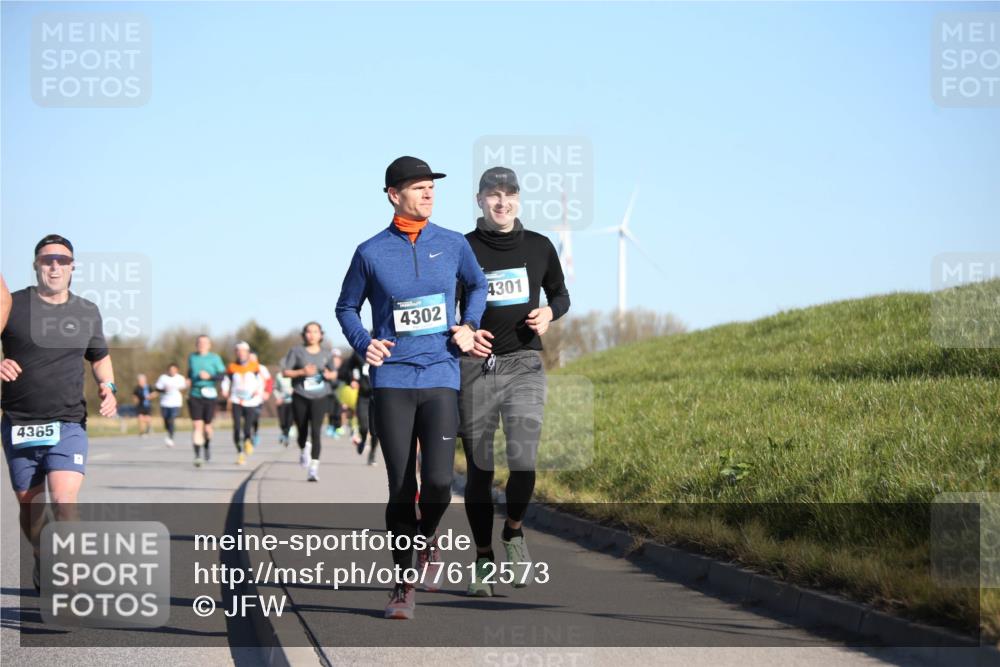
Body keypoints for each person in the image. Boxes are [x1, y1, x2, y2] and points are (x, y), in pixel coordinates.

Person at [336, 155, 487, 619]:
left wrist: (468, 325)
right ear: (393, 195)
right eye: (418, 187)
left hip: (441, 374)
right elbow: (345, 308)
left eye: (432, 187)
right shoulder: (370, 252)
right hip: (394, 380)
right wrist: (365, 343)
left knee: (439, 483)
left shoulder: (454, 243)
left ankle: (426, 541)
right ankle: (402, 585)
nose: (428, 194)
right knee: (401, 485)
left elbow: (477, 286)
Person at [460, 167, 571, 596]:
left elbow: (560, 294)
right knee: (480, 471)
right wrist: (462, 330)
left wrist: (549, 312)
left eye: (509, 194)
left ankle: (514, 532)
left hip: (524, 363)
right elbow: (447, 307)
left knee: (523, 461)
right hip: (476, 368)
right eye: (493, 195)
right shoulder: (462, 249)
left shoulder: (540, 247)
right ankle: (484, 558)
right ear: (480, 200)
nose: (501, 202)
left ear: (519, 199)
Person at [1, 234, 118, 589]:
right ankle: (41, 555)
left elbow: (100, 359)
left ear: (72, 267)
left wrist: (108, 387)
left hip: (68, 422)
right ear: (36, 265)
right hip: (19, 423)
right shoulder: (12, 306)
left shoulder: (86, 310)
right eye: (47, 259)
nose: (54, 265)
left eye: (62, 260)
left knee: (65, 502)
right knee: (30, 507)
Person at [281, 322, 338, 481]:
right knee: (302, 430)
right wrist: (302, 371)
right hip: (301, 395)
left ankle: (314, 467)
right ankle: (303, 447)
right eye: (309, 332)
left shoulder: (327, 353)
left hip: (320, 397)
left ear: (321, 335)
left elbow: (334, 373)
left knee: (316, 431)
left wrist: (329, 375)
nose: (312, 335)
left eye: (315, 332)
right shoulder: (296, 351)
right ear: (304, 334)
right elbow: (285, 372)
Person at [221, 342, 266, 465]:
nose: (241, 353)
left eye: (243, 351)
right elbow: (226, 380)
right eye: (238, 351)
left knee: (247, 427)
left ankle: (247, 440)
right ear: (236, 353)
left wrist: (259, 392)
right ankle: (240, 453)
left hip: (251, 401)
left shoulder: (255, 366)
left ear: (248, 352)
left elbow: (261, 382)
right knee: (236, 427)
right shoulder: (231, 367)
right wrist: (225, 390)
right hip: (236, 400)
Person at [186, 334, 226, 467]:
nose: (202, 344)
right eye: (199, 342)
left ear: (209, 345)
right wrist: (188, 380)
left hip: (210, 394)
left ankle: (207, 445)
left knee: (208, 427)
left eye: (204, 342)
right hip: (195, 394)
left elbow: (222, 375)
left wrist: (210, 376)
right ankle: (197, 456)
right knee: (197, 425)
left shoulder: (215, 358)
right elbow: (190, 372)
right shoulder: (192, 357)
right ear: (196, 344)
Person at [343, 349, 378, 465]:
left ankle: (372, 453)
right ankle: (363, 439)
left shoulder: (387, 350)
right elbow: (347, 368)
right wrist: (351, 380)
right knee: (363, 426)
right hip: (363, 395)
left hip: (378, 395)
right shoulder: (360, 352)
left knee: (375, 430)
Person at [154, 363, 186, 447]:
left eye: (174, 370)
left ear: (177, 370)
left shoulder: (180, 378)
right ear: (168, 370)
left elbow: (184, 389)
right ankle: (169, 432)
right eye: (171, 370)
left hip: (176, 402)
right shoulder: (163, 378)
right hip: (164, 402)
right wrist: (164, 389)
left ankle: (170, 437)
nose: (172, 371)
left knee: (171, 419)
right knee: (166, 420)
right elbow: (157, 388)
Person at [249, 352, 271, 447]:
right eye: (250, 358)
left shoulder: (262, 368)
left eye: (253, 358)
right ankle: (247, 434)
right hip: (246, 398)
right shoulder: (244, 368)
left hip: (258, 397)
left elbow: (269, 381)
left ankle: (255, 433)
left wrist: (267, 392)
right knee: (247, 418)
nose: (251, 360)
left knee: (255, 416)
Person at [272, 371, 295, 446]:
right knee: (282, 421)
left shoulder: (295, 374)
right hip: (281, 401)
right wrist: (278, 397)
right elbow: (275, 388)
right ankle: (284, 433)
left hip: (292, 401)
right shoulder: (279, 375)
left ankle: (286, 435)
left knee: (289, 420)